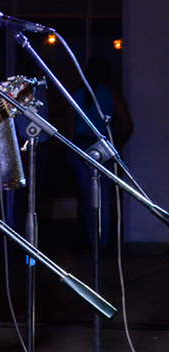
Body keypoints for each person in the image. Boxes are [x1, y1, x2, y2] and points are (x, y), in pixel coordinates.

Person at [69, 55, 133, 249]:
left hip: (81, 145)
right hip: (103, 144)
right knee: (103, 196)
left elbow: (71, 126)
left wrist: (70, 151)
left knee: (87, 195)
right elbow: (128, 124)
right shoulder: (111, 94)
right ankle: (102, 241)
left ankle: (91, 239)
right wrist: (115, 147)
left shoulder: (78, 93)